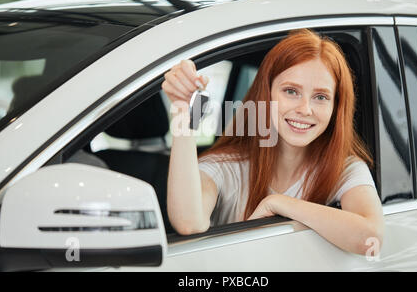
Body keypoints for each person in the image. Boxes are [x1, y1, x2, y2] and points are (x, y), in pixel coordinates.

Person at [162, 29, 384, 256]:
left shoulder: (344, 168)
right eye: (291, 91)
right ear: (266, 95)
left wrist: (279, 203)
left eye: (321, 97)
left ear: (335, 107)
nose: (305, 110)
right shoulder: (226, 165)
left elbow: (370, 239)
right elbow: (189, 223)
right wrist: (182, 109)